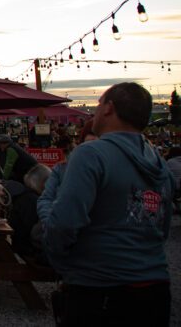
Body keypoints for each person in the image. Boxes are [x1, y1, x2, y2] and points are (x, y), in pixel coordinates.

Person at [44, 82, 173, 326]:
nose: (95, 110)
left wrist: (61, 262)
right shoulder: (159, 163)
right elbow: (161, 228)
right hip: (155, 289)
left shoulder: (91, 155)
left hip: (99, 290)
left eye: (99, 103)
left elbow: (63, 223)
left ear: (109, 109)